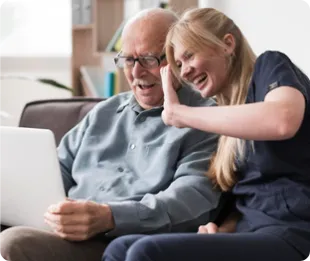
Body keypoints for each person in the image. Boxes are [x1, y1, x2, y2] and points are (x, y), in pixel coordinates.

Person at [0, 8, 221, 261]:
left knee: (12, 244)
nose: (136, 73)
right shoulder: (104, 112)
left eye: (148, 59)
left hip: (125, 242)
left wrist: (109, 217)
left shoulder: (205, 118)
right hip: (64, 231)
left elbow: (191, 200)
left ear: (178, 58)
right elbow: (55, 170)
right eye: (128, 59)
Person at [102, 7, 310, 261]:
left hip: (295, 233)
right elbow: (245, 201)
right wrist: (222, 230)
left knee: (146, 253)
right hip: (250, 232)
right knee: (120, 248)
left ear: (227, 45)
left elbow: (283, 120)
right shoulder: (225, 115)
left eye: (189, 56)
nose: (185, 71)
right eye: (178, 64)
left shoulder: (270, 66)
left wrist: (179, 113)